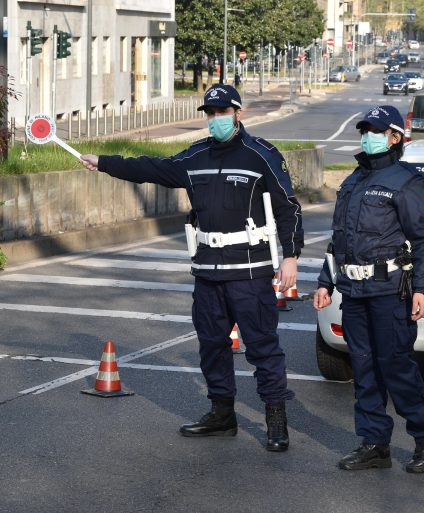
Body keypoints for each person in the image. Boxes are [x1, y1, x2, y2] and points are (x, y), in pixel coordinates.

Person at [80, 84, 303, 452]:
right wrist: (103, 162)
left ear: (238, 112)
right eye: (210, 113)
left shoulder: (260, 154)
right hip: (209, 271)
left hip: (250, 271)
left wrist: (291, 256)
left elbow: (287, 208)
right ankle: (222, 414)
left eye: (222, 112)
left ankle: (275, 418)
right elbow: (150, 168)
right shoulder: (195, 155)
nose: (216, 119)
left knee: (263, 347)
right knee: (212, 346)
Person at [312, 105, 424, 473]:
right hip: (354, 293)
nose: (367, 136)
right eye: (364, 130)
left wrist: (422, 288)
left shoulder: (406, 181)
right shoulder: (354, 180)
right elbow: (339, 240)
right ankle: (374, 443)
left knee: (395, 368)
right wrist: (326, 282)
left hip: (391, 292)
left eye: (375, 130)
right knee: (364, 368)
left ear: (394, 137)